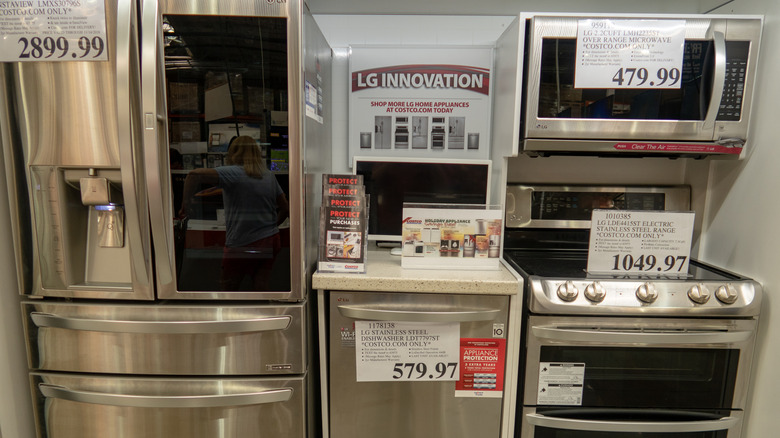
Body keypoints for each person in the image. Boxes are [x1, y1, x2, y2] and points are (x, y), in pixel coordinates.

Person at [180, 136, 289, 291]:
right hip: (270, 240)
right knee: (261, 286)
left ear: (234, 152)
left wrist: (186, 204)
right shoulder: (268, 176)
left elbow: (193, 175)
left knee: (229, 289)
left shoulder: (233, 172)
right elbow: (285, 208)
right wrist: (271, 227)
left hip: (241, 243)